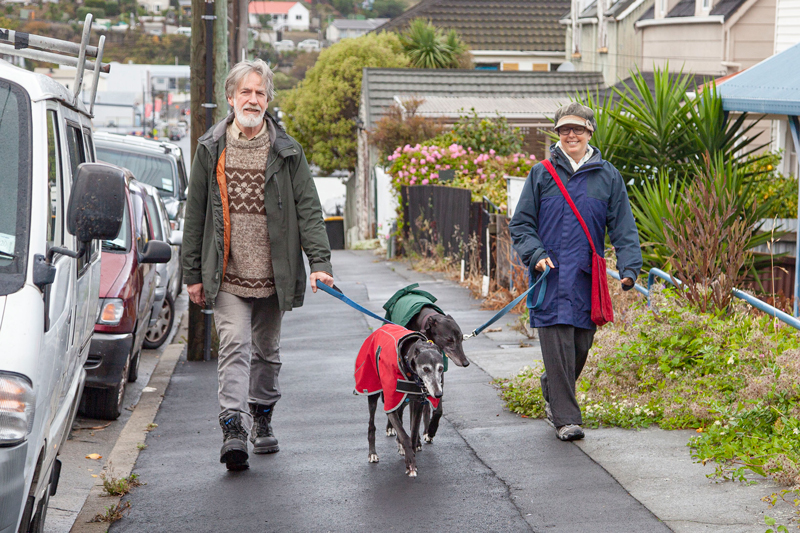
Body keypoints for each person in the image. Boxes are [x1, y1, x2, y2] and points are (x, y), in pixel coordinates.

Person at [181, 59, 333, 470]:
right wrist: (192, 274)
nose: (253, 99)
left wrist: (319, 262)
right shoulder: (211, 149)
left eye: (260, 93)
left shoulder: (287, 152)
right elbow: (195, 214)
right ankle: (233, 427)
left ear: (268, 100)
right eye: (245, 92)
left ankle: (262, 416)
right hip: (227, 274)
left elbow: (309, 210)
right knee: (234, 344)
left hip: (273, 276)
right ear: (230, 98)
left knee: (267, 351)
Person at [509, 102, 642, 442]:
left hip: (586, 280)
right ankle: (566, 419)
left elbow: (623, 226)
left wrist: (629, 266)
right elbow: (521, 224)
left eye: (578, 129)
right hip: (550, 277)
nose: (571, 135)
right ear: (558, 134)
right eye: (565, 129)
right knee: (558, 350)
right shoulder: (541, 173)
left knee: (579, 348)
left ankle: (551, 386)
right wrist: (536, 254)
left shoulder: (608, 176)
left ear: (590, 133)